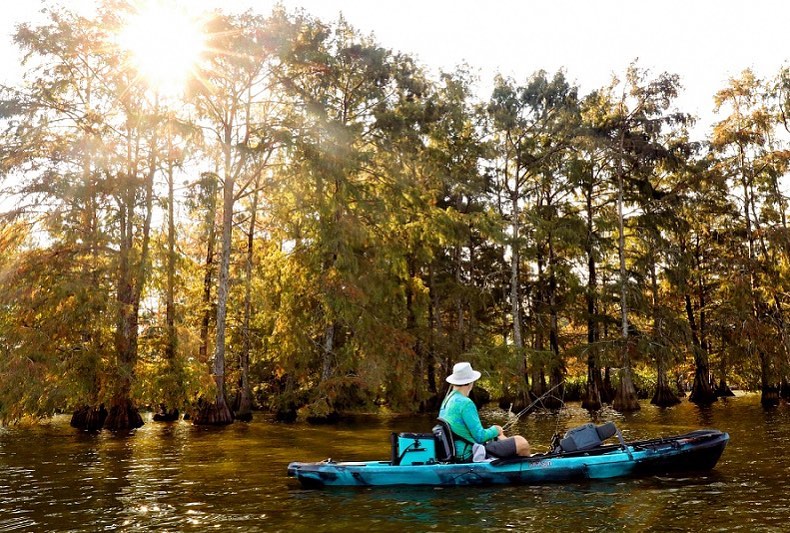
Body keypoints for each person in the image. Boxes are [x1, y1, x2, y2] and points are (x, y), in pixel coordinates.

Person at [439, 361, 531, 461]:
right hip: (468, 454)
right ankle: (525, 470)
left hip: (458, 452)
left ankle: (511, 463)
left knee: (502, 438)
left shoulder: (447, 400)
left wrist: (495, 433)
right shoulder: (466, 403)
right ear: (470, 382)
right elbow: (480, 437)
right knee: (521, 442)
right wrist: (496, 429)